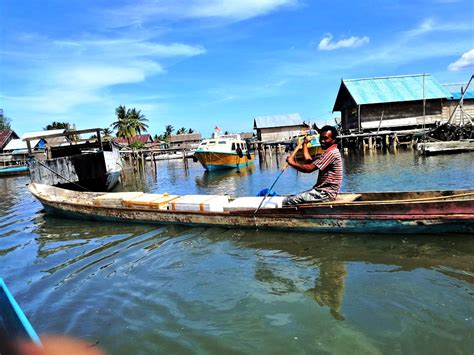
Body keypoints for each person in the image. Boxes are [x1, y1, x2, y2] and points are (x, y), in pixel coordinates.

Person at [284, 125, 342, 205]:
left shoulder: (331, 153)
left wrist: (292, 163)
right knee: (295, 197)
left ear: (334, 140)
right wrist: (305, 144)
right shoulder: (328, 152)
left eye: (325, 138)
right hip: (322, 192)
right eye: (321, 138)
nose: (322, 141)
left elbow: (309, 169)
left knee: (287, 201)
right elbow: (309, 161)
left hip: (325, 194)